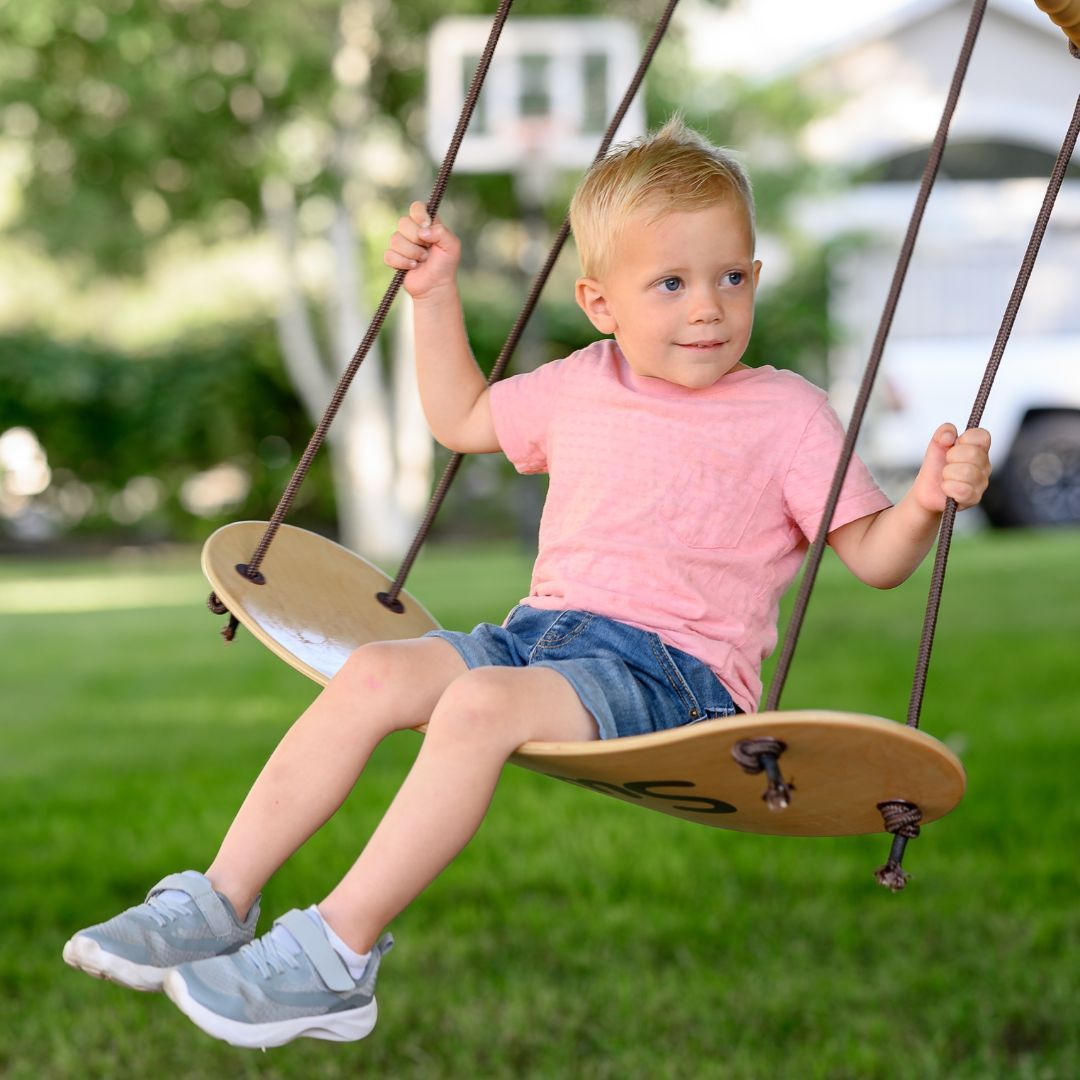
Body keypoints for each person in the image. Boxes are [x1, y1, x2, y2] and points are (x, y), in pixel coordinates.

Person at [62, 118, 992, 1049]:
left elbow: (874, 558)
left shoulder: (786, 412)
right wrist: (433, 295)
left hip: (672, 678)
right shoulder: (585, 382)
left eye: (732, 276)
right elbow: (461, 416)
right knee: (381, 672)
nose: (707, 307)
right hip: (538, 639)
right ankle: (218, 899)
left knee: (477, 708)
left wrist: (923, 500)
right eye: (670, 283)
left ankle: (335, 958)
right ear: (600, 302)